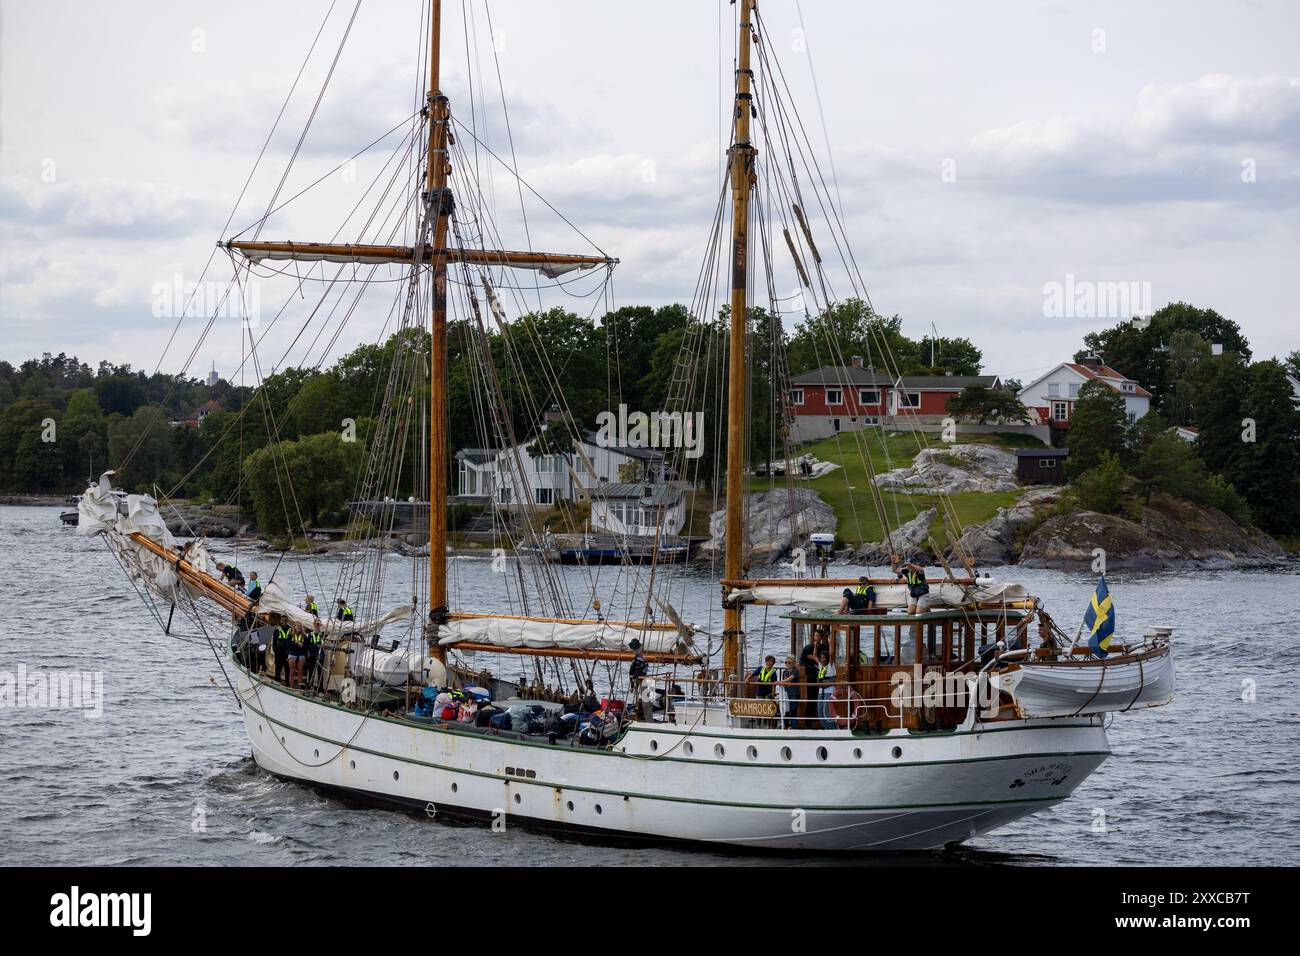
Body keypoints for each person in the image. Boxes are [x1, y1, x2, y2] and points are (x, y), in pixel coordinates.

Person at [627, 638, 650, 720]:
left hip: (644, 680)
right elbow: (631, 673)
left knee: (647, 698)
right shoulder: (636, 660)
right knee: (645, 698)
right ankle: (644, 714)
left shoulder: (641, 659)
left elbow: (631, 673)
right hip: (640, 680)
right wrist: (632, 685)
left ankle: (645, 713)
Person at [777, 656, 802, 729]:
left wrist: (781, 682)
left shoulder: (795, 671)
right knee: (786, 710)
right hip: (786, 694)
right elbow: (785, 681)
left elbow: (791, 678)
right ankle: (785, 725)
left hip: (794, 694)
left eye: (789, 662)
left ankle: (794, 727)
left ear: (793, 663)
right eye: (786, 662)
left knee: (793, 710)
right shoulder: (785, 672)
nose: (787, 664)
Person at [287, 623, 308, 689]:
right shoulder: (290, 635)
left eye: (300, 625)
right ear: (294, 627)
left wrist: (302, 645)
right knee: (292, 671)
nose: (299, 626)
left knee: (300, 672)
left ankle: (299, 688)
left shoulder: (304, 636)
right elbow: (288, 646)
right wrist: (295, 644)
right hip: (292, 654)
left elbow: (306, 647)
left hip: (301, 655)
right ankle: (291, 688)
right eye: (297, 625)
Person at [305, 618, 324, 691]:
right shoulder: (310, 634)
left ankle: (320, 688)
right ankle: (310, 686)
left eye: (319, 624)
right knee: (311, 671)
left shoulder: (322, 634)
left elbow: (324, 643)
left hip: (320, 655)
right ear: (314, 625)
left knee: (320, 672)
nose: (317, 625)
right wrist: (315, 647)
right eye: (316, 624)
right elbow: (308, 645)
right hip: (312, 655)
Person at [272, 619, 292, 685]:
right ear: (280, 621)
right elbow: (274, 642)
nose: (284, 621)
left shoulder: (291, 629)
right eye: (282, 620)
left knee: (287, 670)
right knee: (278, 668)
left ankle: (287, 684)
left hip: (287, 653)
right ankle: (277, 682)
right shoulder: (277, 630)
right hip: (279, 652)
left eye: (285, 620)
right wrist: (276, 652)